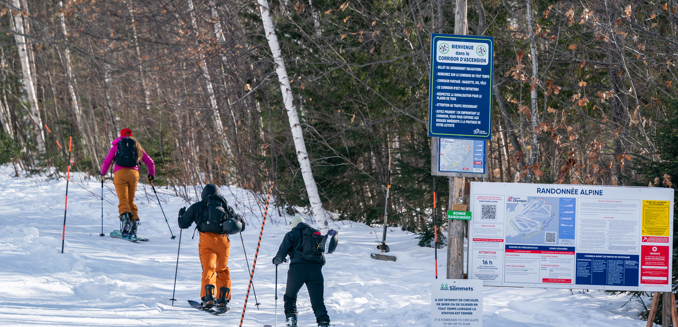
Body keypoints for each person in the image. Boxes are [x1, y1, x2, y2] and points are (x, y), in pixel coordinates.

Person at [177, 184, 246, 310]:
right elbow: (242, 225)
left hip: (207, 241)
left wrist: (181, 214)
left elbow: (183, 224)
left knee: (208, 269)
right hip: (223, 243)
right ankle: (223, 300)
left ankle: (208, 298)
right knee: (222, 269)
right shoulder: (225, 207)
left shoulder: (198, 206)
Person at [272, 208, 331, 327]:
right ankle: (323, 322)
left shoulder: (291, 234)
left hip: (297, 270)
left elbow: (281, 253)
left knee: (290, 296)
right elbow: (322, 259)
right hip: (315, 270)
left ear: (293, 225)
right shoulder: (315, 234)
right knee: (318, 301)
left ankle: (291, 319)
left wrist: (276, 260)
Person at [100, 128, 155, 239]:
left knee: (123, 199)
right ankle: (134, 224)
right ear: (131, 135)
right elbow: (150, 162)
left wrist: (102, 173)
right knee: (131, 200)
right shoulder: (136, 146)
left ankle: (125, 223)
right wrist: (151, 175)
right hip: (134, 174)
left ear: (120, 135)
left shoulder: (116, 146)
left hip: (120, 173)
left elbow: (107, 161)